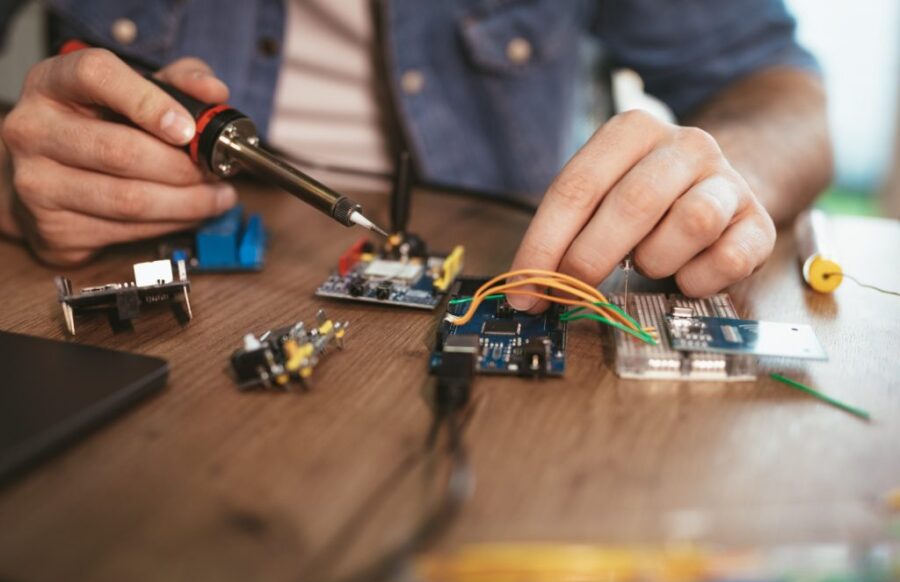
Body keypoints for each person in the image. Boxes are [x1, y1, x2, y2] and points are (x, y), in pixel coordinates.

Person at [0, 0, 831, 308]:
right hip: (178, 288)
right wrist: (11, 178)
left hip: (502, 280)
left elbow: (780, 85)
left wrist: (727, 179)